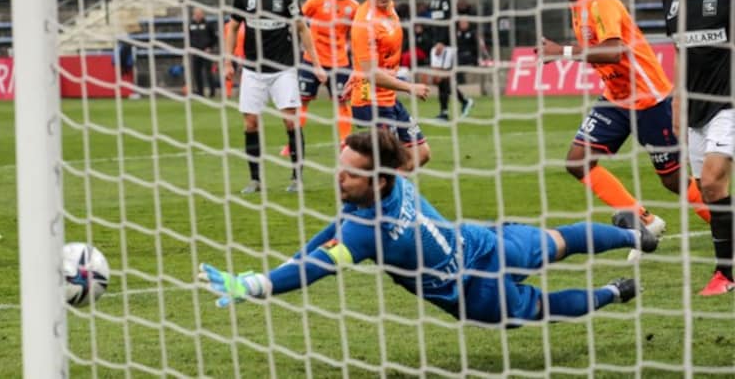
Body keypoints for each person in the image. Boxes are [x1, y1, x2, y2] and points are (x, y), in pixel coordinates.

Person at [198, 130, 658, 325]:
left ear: (377, 178)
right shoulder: (390, 187)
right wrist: (273, 271)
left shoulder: (364, 232)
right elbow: (324, 239)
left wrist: (255, 284)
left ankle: (614, 293)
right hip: (482, 240)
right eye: (339, 167)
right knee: (557, 241)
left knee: (540, 309)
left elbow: (317, 265)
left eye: (349, 172)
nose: (338, 176)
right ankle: (637, 235)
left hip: (474, 292)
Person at [541, 0, 711, 261]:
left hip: (649, 99)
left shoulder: (599, 0)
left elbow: (614, 50)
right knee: (577, 160)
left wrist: (561, 52)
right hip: (616, 98)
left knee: (673, 180)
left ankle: (724, 226)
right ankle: (646, 220)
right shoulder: (576, 5)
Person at [223, 0, 326, 194]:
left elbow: (302, 29)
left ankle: (296, 177)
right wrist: (228, 61)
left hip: (283, 69)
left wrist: (317, 62)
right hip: (252, 70)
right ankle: (255, 180)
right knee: (250, 123)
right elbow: (233, 28)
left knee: (290, 122)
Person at [664, 0, 733, 295]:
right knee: (707, 193)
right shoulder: (670, 2)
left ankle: (727, 274)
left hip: (728, 103)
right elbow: (680, 53)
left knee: (711, 181)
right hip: (695, 111)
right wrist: (677, 100)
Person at [348, 0, 432, 171]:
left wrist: (356, 69)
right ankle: (370, 200)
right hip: (371, 101)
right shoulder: (365, 23)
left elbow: (370, 56)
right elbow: (373, 75)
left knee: (421, 154)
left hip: (388, 97)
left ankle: (376, 195)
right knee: (388, 165)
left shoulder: (390, 9)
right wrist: (410, 87)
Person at [280, 0, 359, 157]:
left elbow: (355, 34)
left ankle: (344, 142)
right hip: (312, 60)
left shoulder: (353, 7)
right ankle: (293, 143)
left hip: (339, 61)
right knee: (302, 101)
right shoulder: (317, 0)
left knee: (342, 102)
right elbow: (298, 21)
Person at [428, 0, 473, 121]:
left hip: (447, 44)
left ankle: (445, 112)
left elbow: (451, 22)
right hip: (437, 44)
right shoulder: (435, 0)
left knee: (440, 78)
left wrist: (442, 41)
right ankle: (463, 101)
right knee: (441, 79)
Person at [188, 7, 218, 97]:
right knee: (197, 73)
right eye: (196, 14)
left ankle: (212, 92)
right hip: (195, 52)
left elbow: (215, 38)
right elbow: (188, 38)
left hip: (206, 52)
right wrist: (190, 48)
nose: (197, 15)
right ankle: (200, 92)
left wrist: (210, 47)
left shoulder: (208, 24)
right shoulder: (190, 25)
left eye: (199, 14)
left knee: (208, 72)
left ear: (202, 14)